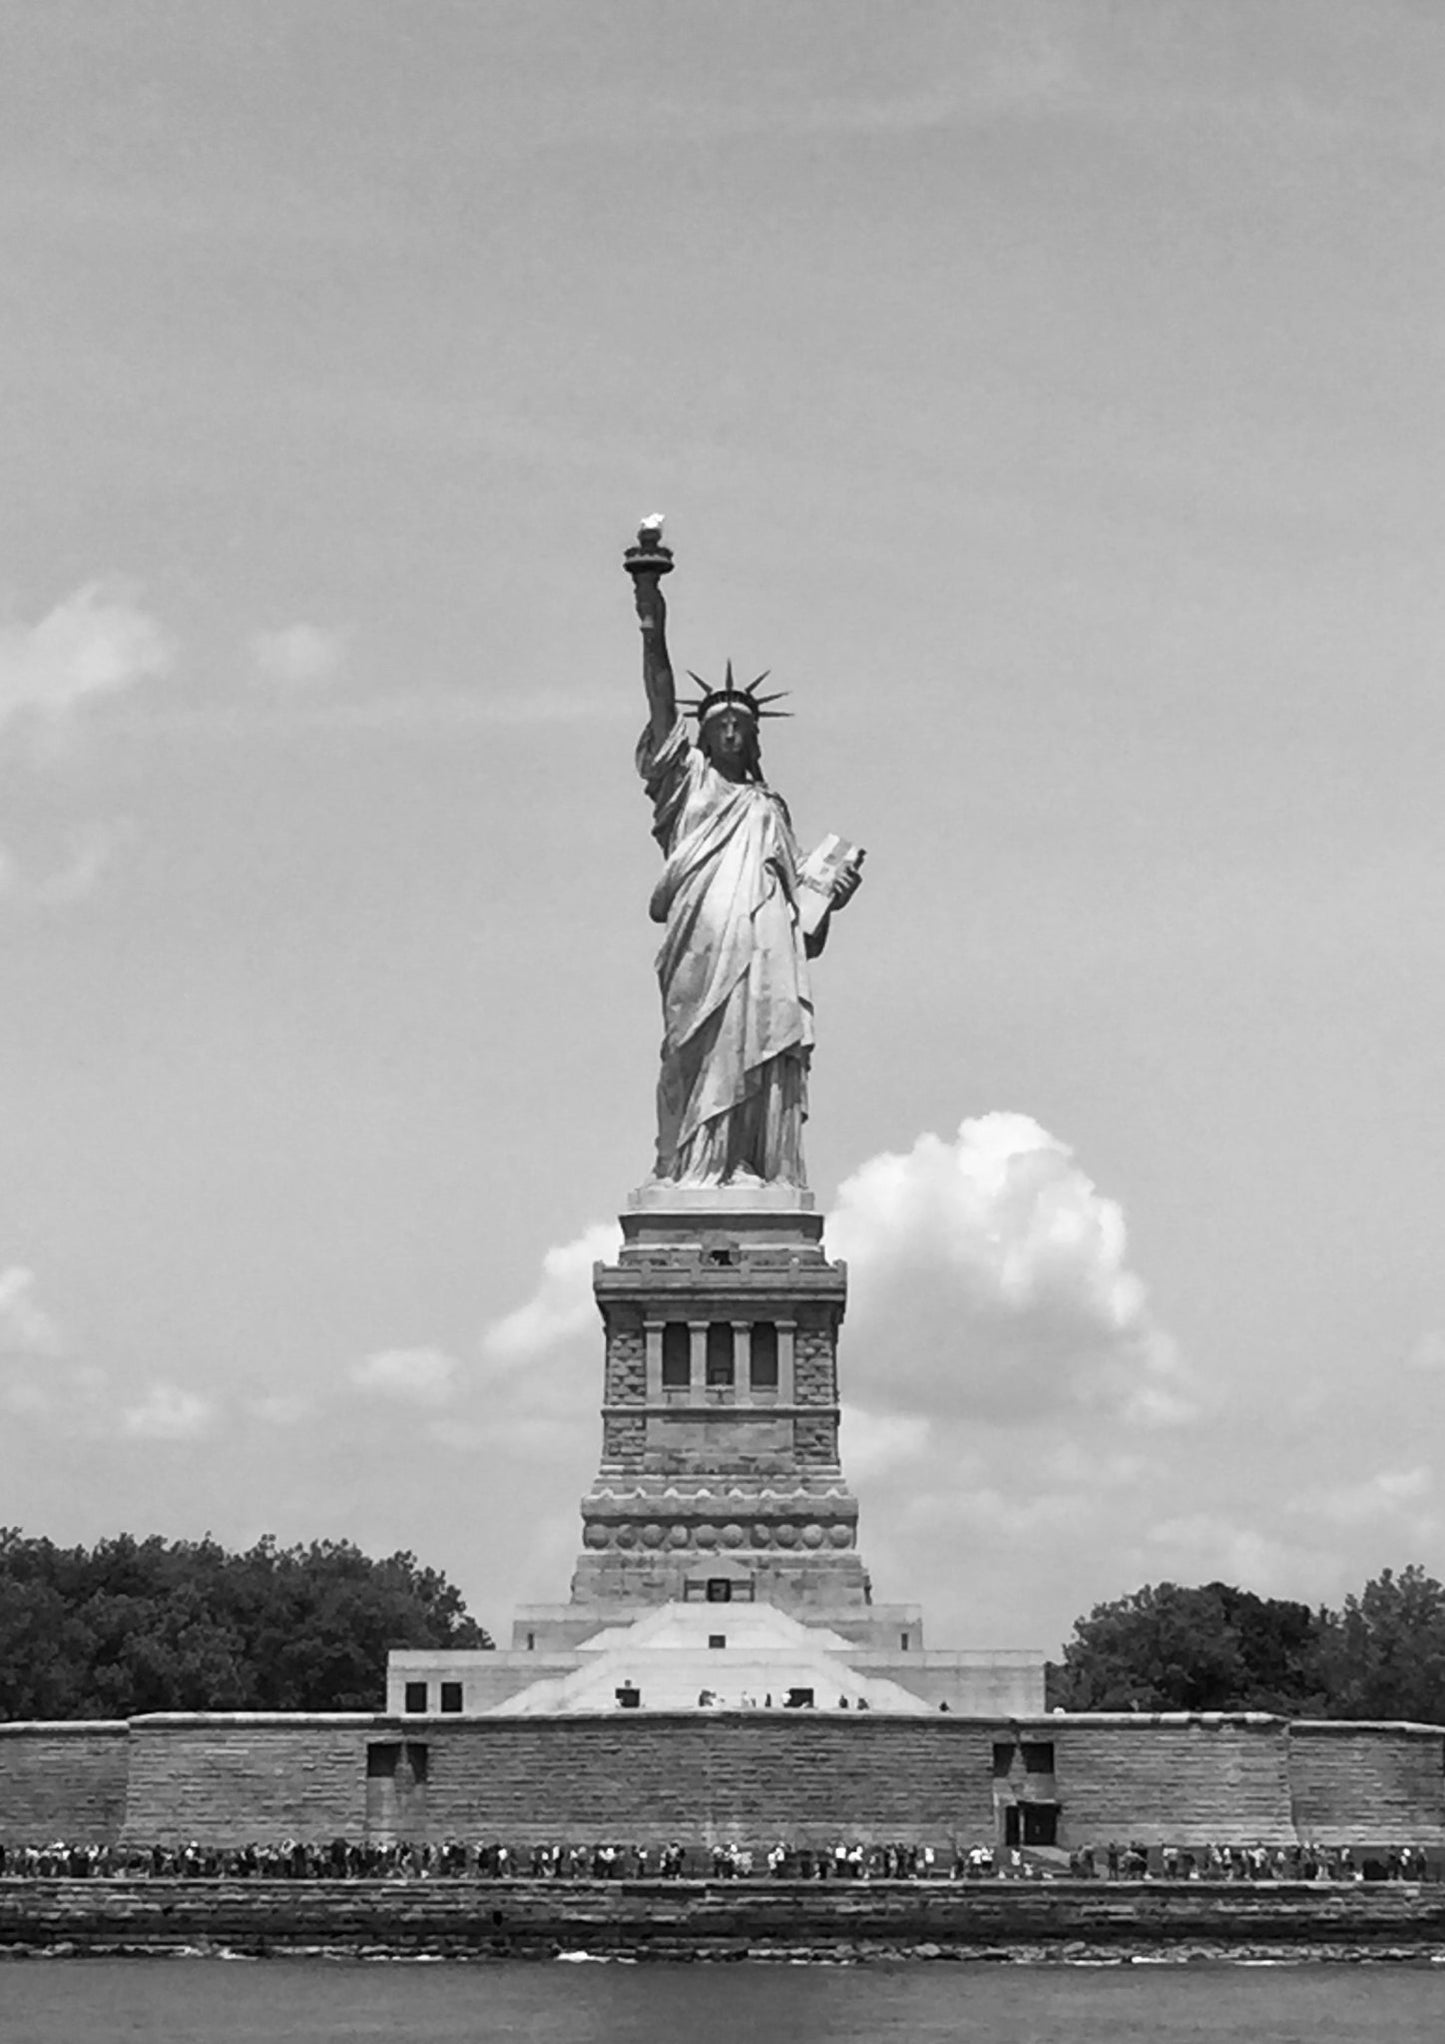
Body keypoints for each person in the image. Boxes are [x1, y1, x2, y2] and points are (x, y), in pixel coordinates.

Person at [630, 554, 861, 1186]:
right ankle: (693, 1165)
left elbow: (801, 927)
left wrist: (828, 898)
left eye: (742, 726)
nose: (731, 732)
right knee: (697, 1047)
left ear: (754, 738)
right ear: (701, 736)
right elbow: (657, 694)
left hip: (764, 944)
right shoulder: (687, 783)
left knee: (758, 1039)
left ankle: (744, 1163)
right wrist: (651, 612)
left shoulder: (769, 808)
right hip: (702, 939)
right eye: (720, 724)